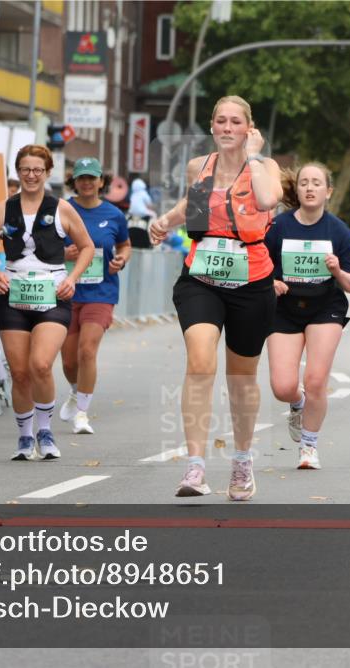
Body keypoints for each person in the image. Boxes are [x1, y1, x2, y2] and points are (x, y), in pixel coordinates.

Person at [148, 95, 282, 501]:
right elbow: (195, 205)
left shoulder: (266, 167)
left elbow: (266, 201)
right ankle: (195, 468)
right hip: (201, 276)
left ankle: (242, 462)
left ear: (249, 128)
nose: (227, 128)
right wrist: (165, 221)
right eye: (221, 121)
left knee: (241, 381)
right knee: (200, 362)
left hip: (251, 281)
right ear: (212, 127)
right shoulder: (198, 166)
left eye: (235, 122)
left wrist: (255, 158)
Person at [0, 145, 95, 462]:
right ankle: (25, 436)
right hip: (13, 294)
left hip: (52, 294)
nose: (31, 176)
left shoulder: (63, 209)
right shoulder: (2, 209)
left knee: (40, 364)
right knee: (19, 373)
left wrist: (73, 279)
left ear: (48, 173)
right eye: (26, 170)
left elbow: (87, 247)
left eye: (37, 170)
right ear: (18, 171)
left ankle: (45, 430)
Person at [265, 163, 350, 469]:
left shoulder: (338, 231)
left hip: (325, 308)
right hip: (285, 309)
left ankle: (309, 446)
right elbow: (258, 268)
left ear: (327, 191)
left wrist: (336, 270)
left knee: (316, 379)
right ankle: (298, 403)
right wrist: (272, 283)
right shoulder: (279, 227)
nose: (309, 187)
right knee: (283, 387)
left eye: (316, 183)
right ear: (297, 190)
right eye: (304, 182)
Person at [58, 157, 132, 435]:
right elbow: (45, 246)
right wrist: (62, 254)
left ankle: (82, 414)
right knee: (68, 360)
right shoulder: (62, 210)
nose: (87, 183)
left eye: (92, 177)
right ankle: (77, 391)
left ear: (102, 181)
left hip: (101, 291)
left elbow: (125, 245)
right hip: (67, 290)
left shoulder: (113, 214)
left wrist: (121, 260)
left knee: (87, 350)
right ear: (74, 181)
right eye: (82, 178)